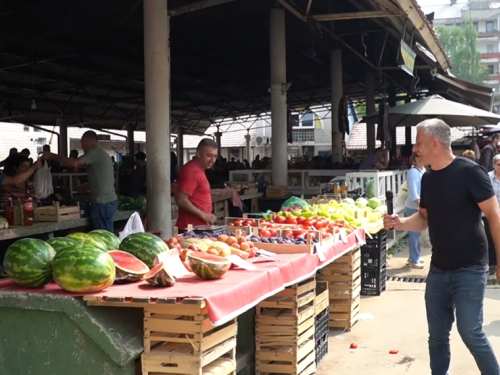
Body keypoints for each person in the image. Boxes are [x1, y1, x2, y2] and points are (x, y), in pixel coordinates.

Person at [384, 119, 500, 375]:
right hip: (439, 270)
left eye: (418, 143)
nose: (415, 148)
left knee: (470, 331)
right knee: (437, 337)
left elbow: (494, 215)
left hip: (470, 268)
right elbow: (424, 218)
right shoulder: (428, 180)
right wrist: (400, 222)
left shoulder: (471, 172)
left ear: (434, 144)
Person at [43, 131, 118, 232]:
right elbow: (108, 180)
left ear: (87, 141)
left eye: (82, 143)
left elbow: (74, 163)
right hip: (108, 201)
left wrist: (52, 156)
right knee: (106, 235)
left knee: (104, 237)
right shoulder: (103, 154)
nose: (82, 147)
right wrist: (88, 185)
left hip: (102, 203)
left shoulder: (94, 152)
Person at [175, 138, 217, 231]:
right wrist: (203, 215)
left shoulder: (199, 169)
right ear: (198, 154)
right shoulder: (191, 170)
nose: (212, 160)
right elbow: (181, 199)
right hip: (190, 229)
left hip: (199, 227)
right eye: (209, 156)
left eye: (215, 156)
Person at [405, 153, 426, 269]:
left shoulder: (422, 170)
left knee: (417, 233)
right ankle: (414, 259)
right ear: (417, 158)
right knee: (414, 233)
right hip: (414, 207)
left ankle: (415, 256)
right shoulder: (413, 172)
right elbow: (413, 193)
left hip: (419, 205)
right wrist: (421, 206)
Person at [484, 154, 500, 275]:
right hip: (490, 215)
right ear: (494, 165)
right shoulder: (487, 177)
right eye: (499, 164)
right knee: (490, 240)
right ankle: (491, 264)